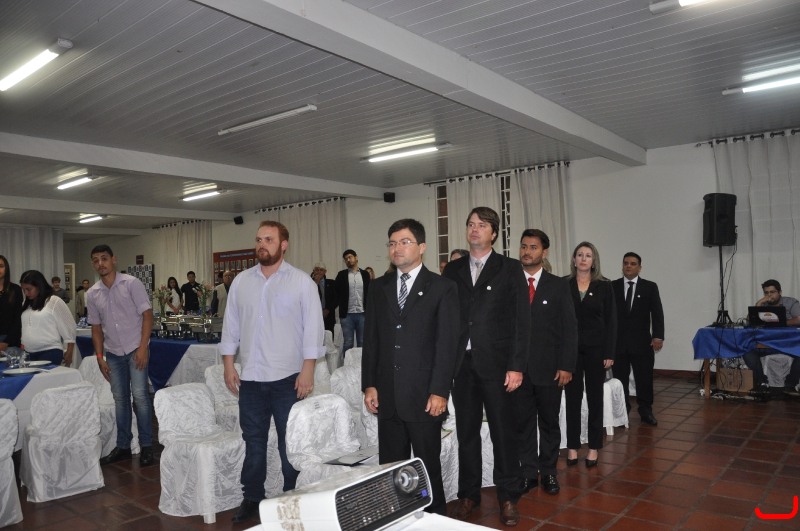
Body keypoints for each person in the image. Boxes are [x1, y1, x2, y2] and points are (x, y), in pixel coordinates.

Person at [220, 221, 324, 524]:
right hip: (251, 378)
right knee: (253, 441)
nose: (261, 245)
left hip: (288, 378)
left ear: (283, 244)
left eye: (268, 239)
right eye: (258, 239)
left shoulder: (302, 282)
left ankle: (292, 496)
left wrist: (308, 370)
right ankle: (252, 496)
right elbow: (231, 325)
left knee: (288, 442)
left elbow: (313, 328)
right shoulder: (241, 282)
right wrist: (228, 363)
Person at [362, 219, 460, 516]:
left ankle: (435, 518)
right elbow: (371, 339)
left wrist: (440, 391)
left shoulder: (442, 287)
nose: (397, 248)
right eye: (392, 243)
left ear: (422, 247)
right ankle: (398, 517)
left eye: (404, 242)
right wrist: (370, 384)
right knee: (392, 469)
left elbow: (447, 344)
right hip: (387, 394)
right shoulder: (378, 287)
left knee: (427, 466)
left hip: (424, 395)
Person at [442, 207, 530, 526]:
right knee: (467, 433)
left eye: (482, 225)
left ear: (494, 233)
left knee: (503, 432)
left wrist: (516, 366)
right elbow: (445, 317)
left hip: (498, 365)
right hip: (462, 366)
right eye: (470, 224)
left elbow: (521, 319)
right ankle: (469, 495)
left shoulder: (509, 268)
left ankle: (508, 496)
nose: (474, 229)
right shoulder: (453, 270)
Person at [515, 229, 577, 496]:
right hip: (517, 370)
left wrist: (567, 365)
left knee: (549, 423)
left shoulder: (558, 285)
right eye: (524, 246)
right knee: (523, 423)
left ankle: (549, 472)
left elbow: (569, 328)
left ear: (544, 252)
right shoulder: (511, 283)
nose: (527, 252)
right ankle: (529, 473)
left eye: (533, 247)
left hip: (550, 369)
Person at [87, 245, 155, 467]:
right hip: (113, 353)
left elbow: (147, 316)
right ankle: (123, 446)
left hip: (136, 348)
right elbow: (96, 328)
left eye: (104, 258)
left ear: (113, 259)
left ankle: (147, 445)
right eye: (96, 260)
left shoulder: (131, 284)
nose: (101, 264)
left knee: (141, 397)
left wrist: (143, 347)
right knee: (121, 400)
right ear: (93, 264)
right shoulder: (92, 293)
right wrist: (100, 357)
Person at [565, 242, 616, 468]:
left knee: (595, 399)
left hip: (597, 350)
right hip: (571, 351)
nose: (583, 259)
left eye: (588, 255)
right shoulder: (564, 285)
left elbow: (611, 321)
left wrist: (609, 352)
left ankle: (594, 447)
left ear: (594, 261)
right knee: (572, 400)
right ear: (574, 260)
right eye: (580, 255)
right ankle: (572, 447)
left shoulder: (604, 286)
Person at [612, 252, 664, 425]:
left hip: (642, 342)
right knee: (620, 379)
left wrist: (658, 336)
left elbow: (657, 313)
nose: (628, 266)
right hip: (618, 343)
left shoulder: (649, 287)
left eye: (633, 263)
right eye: (626, 263)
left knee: (644, 378)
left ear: (639, 268)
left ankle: (646, 410)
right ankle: (622, 411)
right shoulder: (612, 286)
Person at [742, 279, 800, 393]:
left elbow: (799, 319)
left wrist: (781, 322)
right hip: (767, 343)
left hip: (788, 344)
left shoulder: (791, 302)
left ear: (780, 292)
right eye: (766, 293)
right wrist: (759, 303)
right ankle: (762, 382)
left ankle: (790, 384)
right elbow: (749, 320)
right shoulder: (763, 304)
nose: (769, 295)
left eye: (772, 292)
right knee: (746, 350)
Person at [20, 270, 76, 366]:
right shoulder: (26, 303)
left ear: (39, 286)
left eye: (29, 289)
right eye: (23, 290)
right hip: (28, 353)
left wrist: (70, 351)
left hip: (50, 351)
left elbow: (69, 326)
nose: (26, 293)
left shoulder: (54, 301)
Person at [335, 249, 370, 360]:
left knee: (362, 342)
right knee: (348, 342)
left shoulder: (365, 274)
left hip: (362, 313)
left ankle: (361, 366)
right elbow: (336, 293)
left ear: (356, 257)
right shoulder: (341, 275)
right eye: (346, 259)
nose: (348, 260)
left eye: (350, 257)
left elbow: (369, 293)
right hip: (347, 314)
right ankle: (347, 366)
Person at [0, 255, 23, 352]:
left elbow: (17, 319)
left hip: (10, 342)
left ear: (6, 268)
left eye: (1, 266)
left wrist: (6, 342)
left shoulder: (15, 289)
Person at [311, 263, 337, 332]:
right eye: (317, 270)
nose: (319, 272)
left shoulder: (331, 283)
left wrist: (328, 310)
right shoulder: (308, 282)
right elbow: (308, 297)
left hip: (328, 316)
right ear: (313, 271)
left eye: (321, 270)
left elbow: (336, 299)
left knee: (328, 336)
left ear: (325, 271)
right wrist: (315, 283)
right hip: (313, 316)